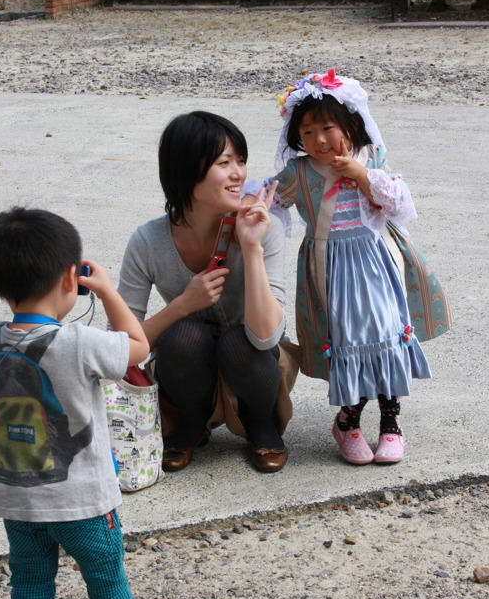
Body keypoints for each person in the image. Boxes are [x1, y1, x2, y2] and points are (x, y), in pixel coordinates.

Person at [0, 206, 171, 599]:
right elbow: (139, 347)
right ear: (72, 280)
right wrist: (106, 290)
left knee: (28, 577)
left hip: (17, 496)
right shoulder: (80, 341)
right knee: (104, 571)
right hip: (80, 497)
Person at [256, 69, 432, 465]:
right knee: (350, 343)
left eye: (327, 127)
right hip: (330, 271)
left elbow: (400, 207)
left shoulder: (370, 160)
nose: (319, 140)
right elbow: (268, 201)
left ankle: (391, 423)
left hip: (376, 262)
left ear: (352, 124)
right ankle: (348, 422)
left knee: (386, 334)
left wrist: (364, 175)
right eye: (307, 132)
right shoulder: (298, 173)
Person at [117, 111, 295, 474]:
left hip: (254, 361)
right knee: (182, 335)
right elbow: (119, 349)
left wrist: (250, 248)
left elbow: (267, 338)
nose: (239, 174)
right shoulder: (148, 241)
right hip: (186, 368)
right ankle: (191, 423)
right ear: (186, 171)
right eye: (224, 163)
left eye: (241, 161)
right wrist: (183, 305)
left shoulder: (264, 227)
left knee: (239, 340)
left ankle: (261, 423)